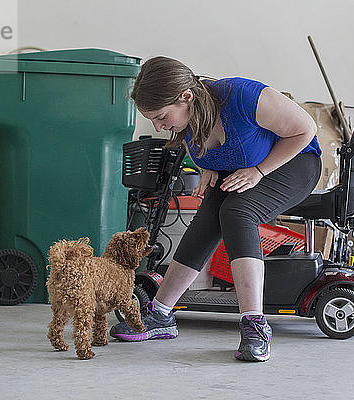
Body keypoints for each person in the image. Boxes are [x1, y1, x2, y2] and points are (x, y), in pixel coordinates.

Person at [110, 56, 322, 362]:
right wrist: (208, 166)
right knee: (208, 218)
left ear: (186, 97)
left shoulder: (243, 97)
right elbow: (194, 146)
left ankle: (255, 324)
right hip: (242, 168)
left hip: (294, 162)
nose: (158, 126)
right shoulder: (187, 117)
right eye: (152, 120)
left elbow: (305, 130)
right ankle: (160, 314)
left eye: (161, 116)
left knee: (238, 213)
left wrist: (260, 171)